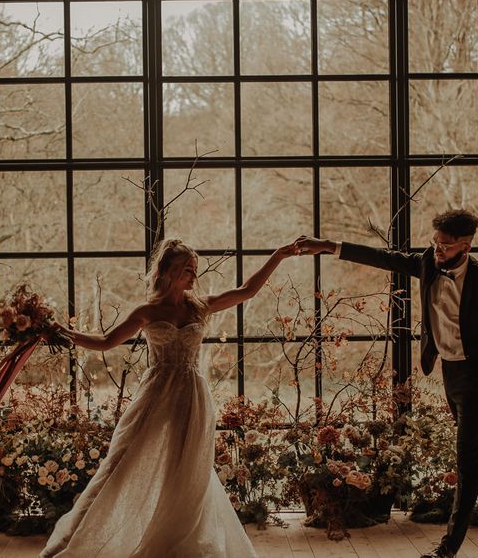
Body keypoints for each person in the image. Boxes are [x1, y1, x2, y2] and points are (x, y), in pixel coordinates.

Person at [294, 209, 478, 558]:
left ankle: (447, 549)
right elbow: (383, 258)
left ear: (465, 247)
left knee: (468, 463)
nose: (437, 250)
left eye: (446, 245)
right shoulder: (427, 262)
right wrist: (328, 245)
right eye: (435, 242)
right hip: (451, 374)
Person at [41, 238, 298, 558]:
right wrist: (63, 334)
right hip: (156, 392)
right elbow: (106, 342)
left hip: (192, 395)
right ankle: (78, 540)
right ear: (168, 271)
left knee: (187, 469)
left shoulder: (199, 305)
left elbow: (247, 290)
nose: (193, 276)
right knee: (121, 461)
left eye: (194, 270)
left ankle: (177, 540)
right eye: (187, 270)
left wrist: (279, 255)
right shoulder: (147, 311)